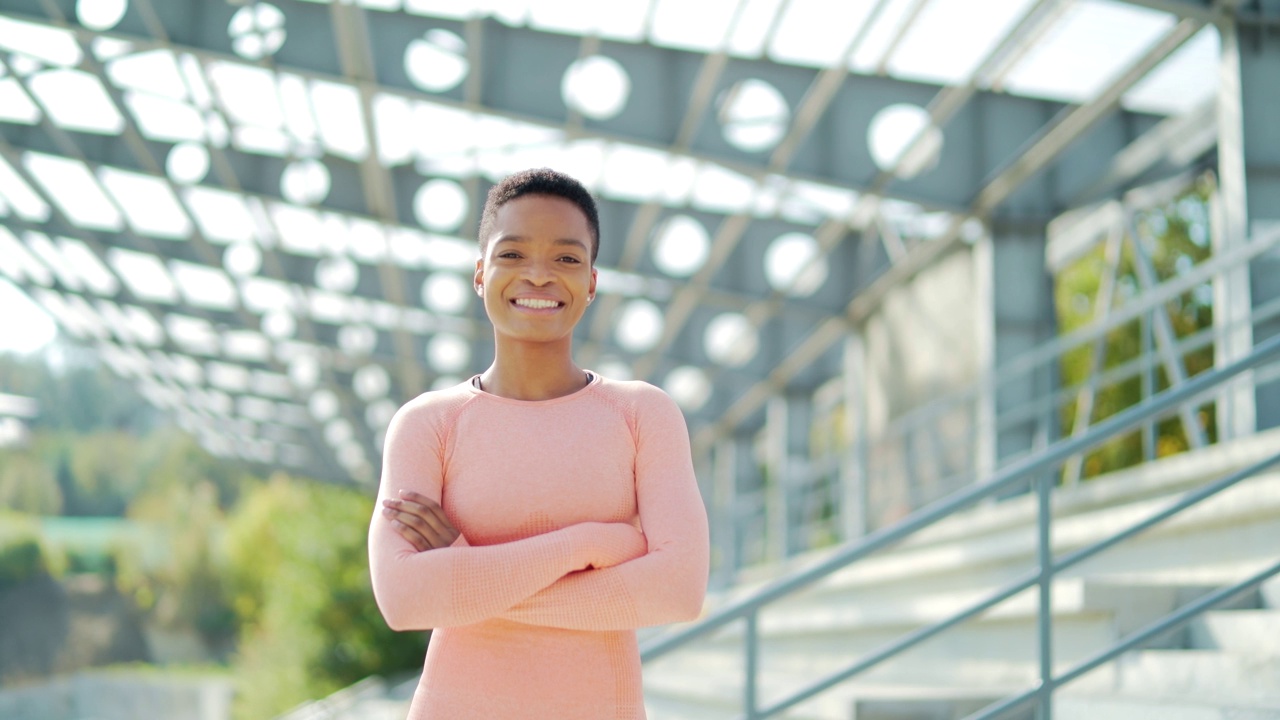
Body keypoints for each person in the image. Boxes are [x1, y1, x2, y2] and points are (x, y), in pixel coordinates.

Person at [367, 168, 711, 719]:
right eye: (513, 254)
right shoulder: (427, 423)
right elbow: (405, 600)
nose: (539, 276)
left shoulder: (642, 414)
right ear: (481, 274)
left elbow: (678, 590)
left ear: (592, 283)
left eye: (567, 259)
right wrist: (590, 544)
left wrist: (465, 577)